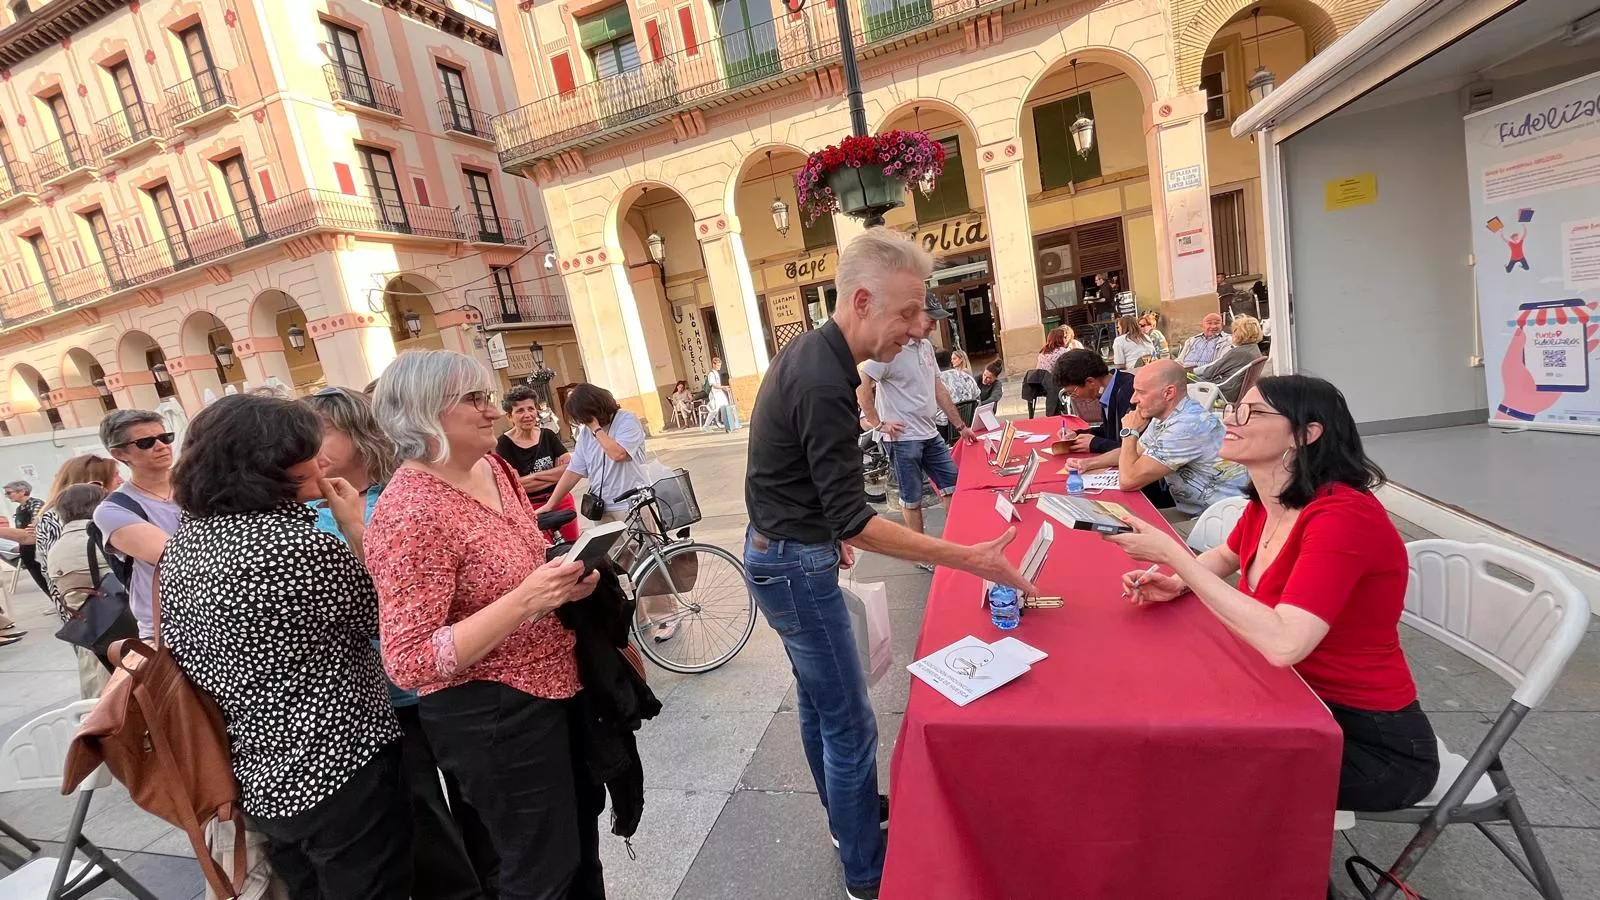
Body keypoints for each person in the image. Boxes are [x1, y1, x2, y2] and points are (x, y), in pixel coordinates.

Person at [744, 227, 1035, 900]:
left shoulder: (817, 356)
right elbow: (853, 516)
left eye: (922, 310)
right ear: (864, 300)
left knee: (823, 709)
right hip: (792, 565)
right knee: (850, 721)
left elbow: (782, 474)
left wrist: (821, 527)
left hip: (784, 550)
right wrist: (968, 558)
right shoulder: (823, 377)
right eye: (908, 312)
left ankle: (845, 821)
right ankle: (865, 872)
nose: (920, 325)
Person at [1108, 375, 1440, 812]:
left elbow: (1285, 643)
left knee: (1178, 763)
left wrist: (1176, 555)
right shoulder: (1271, 502)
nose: (1232, 419)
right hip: (1287, 698)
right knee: (1151, 717)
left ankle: (1257, 874)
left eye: (1253, 412)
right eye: (1233, 408)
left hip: (1365, 740)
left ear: (1306, 433)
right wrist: (1178, 582)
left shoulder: (1342, 516)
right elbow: (1227, 556)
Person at [365, 350, 604, 900]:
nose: (493, 411)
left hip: (558, 687)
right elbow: (408, 661)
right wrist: (525, 600)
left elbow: (525, 552)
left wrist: (563, 578)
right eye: (474, 399)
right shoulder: (410, 512)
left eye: (488, 397)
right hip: (493, 714)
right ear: (423, 414)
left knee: (578, 854)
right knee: (540, 873)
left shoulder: (493, 468)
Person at [159, 394, 412, 899]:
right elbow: (389, 618)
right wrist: (355, 527)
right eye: (307, 452)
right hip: (339, 759)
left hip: (256, 768)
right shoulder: (300, 546)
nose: (319, 461)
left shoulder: (187, 541)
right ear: (270, 464)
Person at [303, 385, 491, 900]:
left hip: (446, 680)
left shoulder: (405, 496)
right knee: (425, 820)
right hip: (381, 700)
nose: (310, 446)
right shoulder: (307, 513)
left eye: (321, 432)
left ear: (360, 433)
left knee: (479, 807)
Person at [858, 291, 975, 546]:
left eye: (936, 320)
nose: (934, 325)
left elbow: (937, 387)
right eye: (930, 319)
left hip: (930, 432)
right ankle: (921, 551)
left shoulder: (925, 348)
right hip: (901, 438)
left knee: (953, 486)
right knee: (912, 498)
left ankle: (958, 540)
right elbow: (861, 383)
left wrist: (960, 425)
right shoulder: (891, 347)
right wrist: (878, 423)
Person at [1066, 360, 1248, 515]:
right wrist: (1087, 464)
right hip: (1197, 510)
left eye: (1141, 392)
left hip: (1221, 519)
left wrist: (1130, 432)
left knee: (1125, 535)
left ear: (1169, 393)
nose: (1133, 399)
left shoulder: (1185, 427)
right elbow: (1136, 451)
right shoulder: (1168, 416)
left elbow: (1128, 480)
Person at [93, 409, 181, 638]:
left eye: (165, 437)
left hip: (223, 612)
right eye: (146, 442)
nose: (161, 446)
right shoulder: (114, 509)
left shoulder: (200, 485)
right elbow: (173, 557)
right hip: (169, 627)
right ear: (120, 454)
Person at [43, 483, 112, 698]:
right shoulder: (101, 538)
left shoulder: (57, 547)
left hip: (88, 636)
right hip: (119, 630)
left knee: (100, 699)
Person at [497, 385, 578, 544]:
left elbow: (570, 470)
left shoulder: (548, 435)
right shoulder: (504, 444)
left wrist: (531, 477)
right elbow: (513, 485)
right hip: (531, 508)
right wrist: (555, 474)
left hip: (561, 500)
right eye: (520, 411)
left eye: (531, 409)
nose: (527, 415)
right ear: (509, 416)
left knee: (574, 549)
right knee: (544, 553)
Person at [31, 454, 123, 579]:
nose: (121, 480)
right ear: (94, 481)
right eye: (115, 475)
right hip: (94, 593)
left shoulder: (108, 508)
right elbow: (58, 570)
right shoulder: (55, 517)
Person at [1054, 349, 1136, 454]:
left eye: (1073, 392)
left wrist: (1095, 444)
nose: (1074, 397)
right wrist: (1077, 434)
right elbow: (1111, 432)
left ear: (1090, 382)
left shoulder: (1129, 393)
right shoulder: (1109, 388)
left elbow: (1134, 447)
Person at [1197, 315, 1265, 403]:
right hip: (1238, 391)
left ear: (1239, 334)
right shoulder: (1254, 349)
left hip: (1225, 392)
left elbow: (1208, 373)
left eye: (1233, 332)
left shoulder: (1237, 352)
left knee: (1187, 383)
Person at [1, 480, 48, 595]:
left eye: (9, 493)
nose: (7, 496)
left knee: (48, 579)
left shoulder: (36, 504)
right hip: (26, 552)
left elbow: (35, 524)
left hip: (38, 549)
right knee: (41, 581)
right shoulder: (19, 509)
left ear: (22, 491)